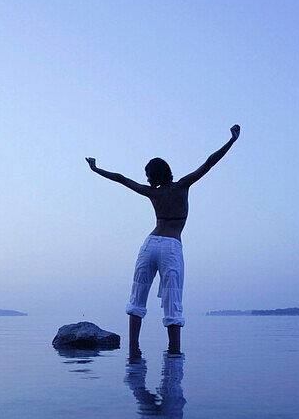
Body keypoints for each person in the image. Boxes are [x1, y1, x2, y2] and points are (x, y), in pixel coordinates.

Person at [87, 124, 240, 354]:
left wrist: (96, 169)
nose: (146, 178)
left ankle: (133, 350)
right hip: (170, 246)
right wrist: (232, 140)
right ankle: (174, 353)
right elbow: (209, 162)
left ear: (155, 175)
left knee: (137, 297)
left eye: (148, 174)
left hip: (150, 244)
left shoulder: (154, 193)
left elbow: (121, 179)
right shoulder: (182, 186)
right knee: (172, 299)